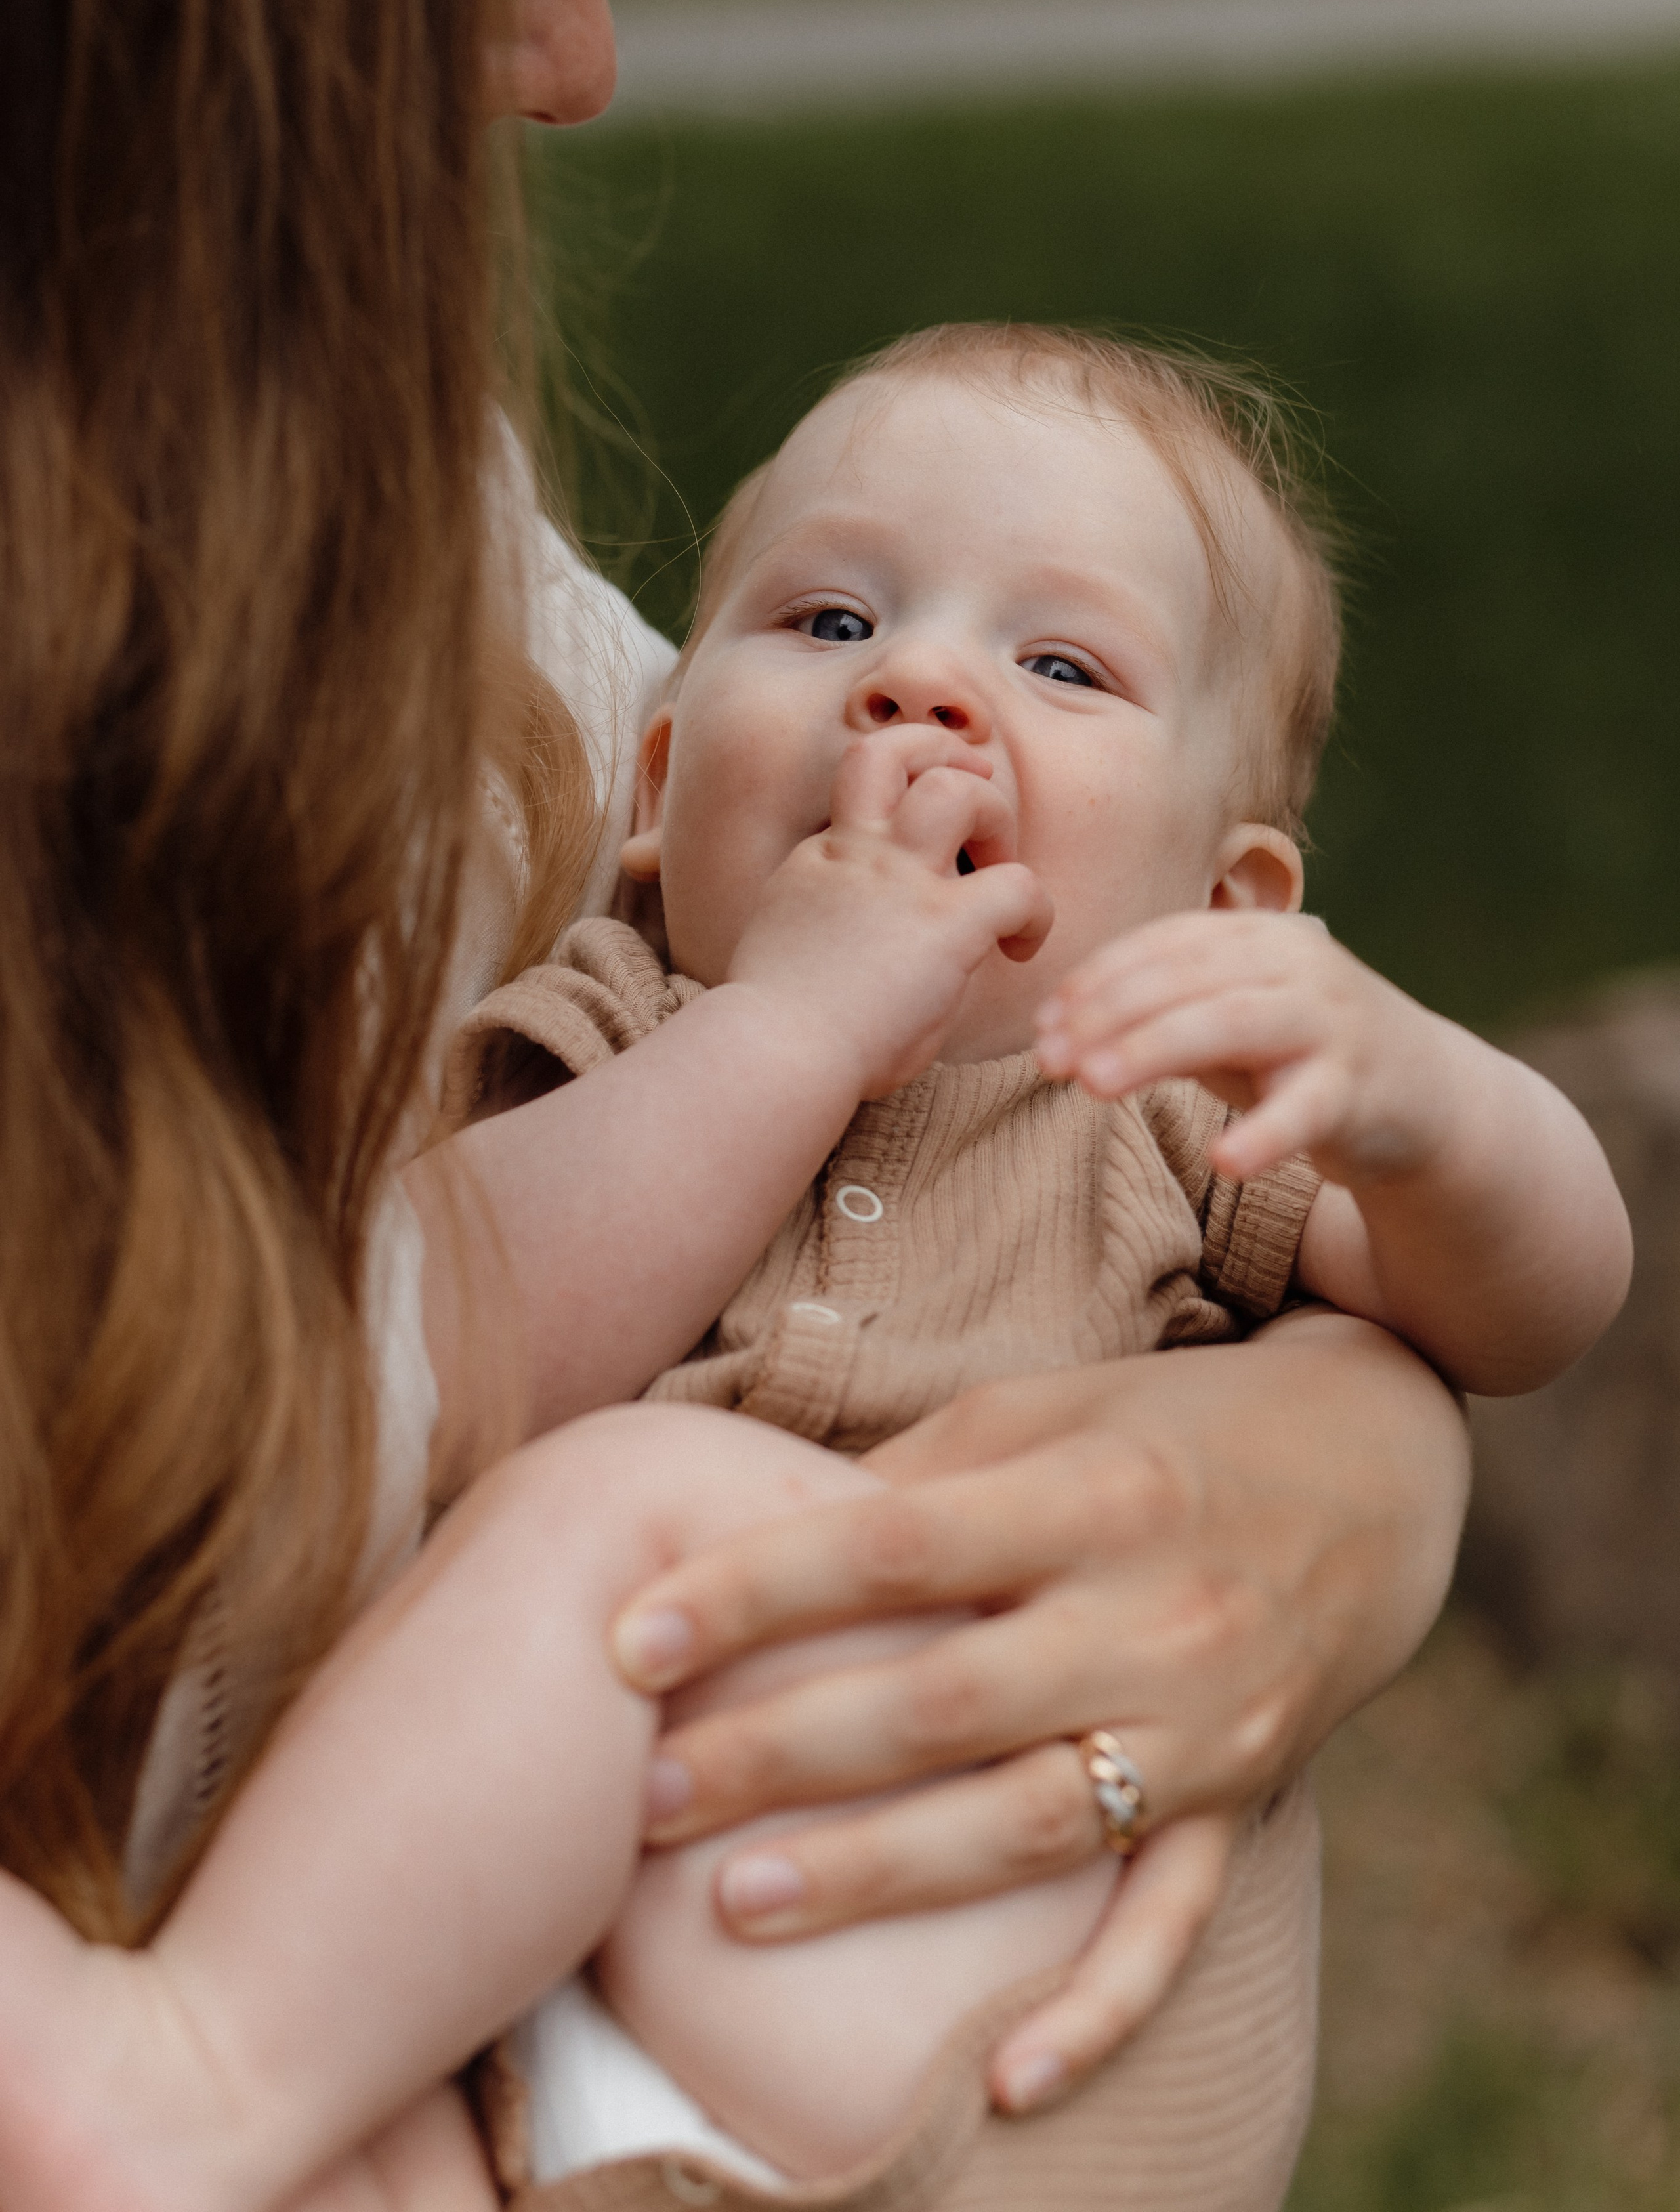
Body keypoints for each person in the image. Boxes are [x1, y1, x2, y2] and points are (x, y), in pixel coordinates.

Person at [0, 0, 1492, 2203]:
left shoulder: (334, 536)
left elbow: (1520, 1263)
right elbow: (446, 1345)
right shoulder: (648, 983)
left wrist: (1347, 1466)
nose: (576, 50)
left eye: (1063, 666)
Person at [0, 329, 1630, 2212]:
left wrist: (1422, 1100)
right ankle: (222, 2115)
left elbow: (1540, 1309)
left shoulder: (1167, 1111)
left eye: (1059, 665)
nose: (919, 686)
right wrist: (785, 1029)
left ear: (1225, 909)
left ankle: (184, 2070)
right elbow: (443, 1365)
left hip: (995, 2014)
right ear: (661, 783)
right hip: (531, 2035)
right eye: (833, 620)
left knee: (639, 1505)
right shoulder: (613, 1026)